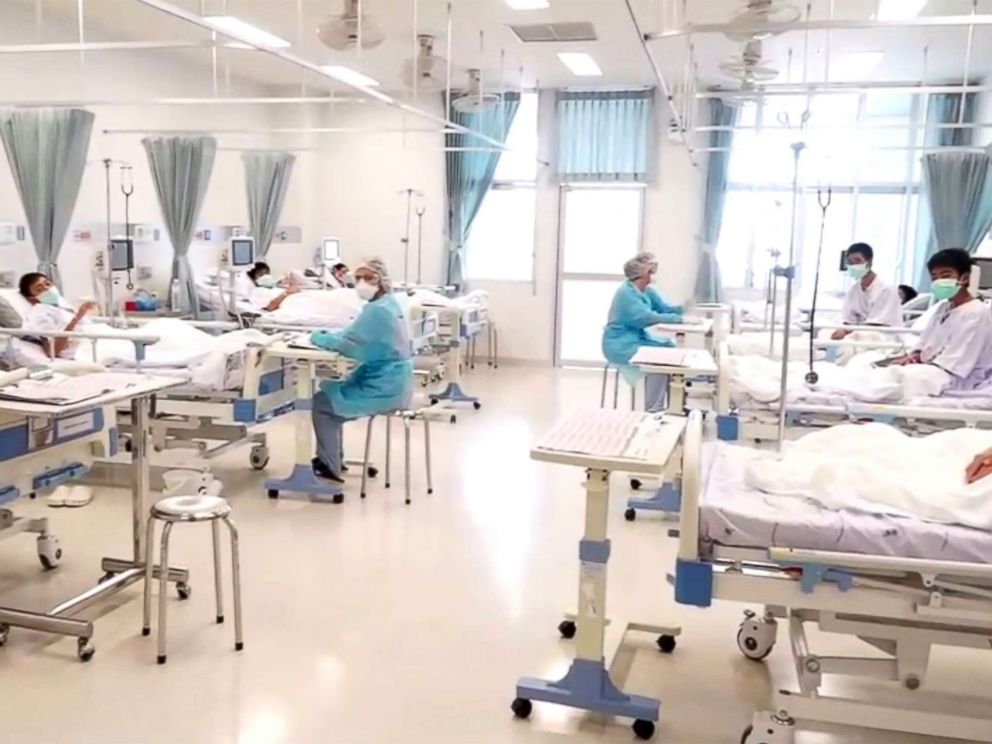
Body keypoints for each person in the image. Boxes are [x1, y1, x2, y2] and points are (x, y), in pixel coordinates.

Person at [308, 258, 413, 484]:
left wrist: (318, 337)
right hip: (393, 381)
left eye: (369, 277)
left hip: (384, 386)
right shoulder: (388, 304)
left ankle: (330, 467)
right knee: (330, 397)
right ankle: (332, 458)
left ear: (382, 279)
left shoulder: (377, 311)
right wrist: (333, 336)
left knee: (323, 404)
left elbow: (348, 344)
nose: (362, 283)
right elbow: (355, 335)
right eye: (358, 278)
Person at [891, 248, 992, 391]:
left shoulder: (976, 313)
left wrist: (920, 364)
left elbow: (957, 362)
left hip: (956, 378)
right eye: (934, 277)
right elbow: (925, 341)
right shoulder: (944, 307)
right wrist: (914, 356)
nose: (939, 281)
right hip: (933, 368)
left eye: (946, 275)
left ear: (964, 277)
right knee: (878, 370)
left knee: (900, 380)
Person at [602, 252, 683, 413]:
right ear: (641, 273)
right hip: (619, 345)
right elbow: (646, 317)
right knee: (658, 360)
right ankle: (653, 409)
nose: (653, 274)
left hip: (636, 339)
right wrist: (679, 319)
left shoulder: (646, 291)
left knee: (670, 350)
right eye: (650, 270)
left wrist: (687, 308)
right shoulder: (626, 293)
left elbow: (665, 309)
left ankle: (677, 406)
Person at [17, 272, 98, 359]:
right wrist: (76, 318)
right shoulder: (40, 312)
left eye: (48, 284)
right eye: (39, 289)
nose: (47, 288)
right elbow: (53, 349)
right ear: (32, 298)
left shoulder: (60, 304)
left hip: (95, 342)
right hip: (84, 350)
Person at [831, 243, 903, 340]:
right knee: (826, 332)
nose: (853, 265)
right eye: (850, 262)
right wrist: (844, 329)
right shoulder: (854, 289)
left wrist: (848, 331)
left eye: (857, 261)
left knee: (853, 339)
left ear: (869, 263)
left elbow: (877, 323)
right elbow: (848, 318)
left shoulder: (886, 289)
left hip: (883, 334)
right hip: (859, 330)